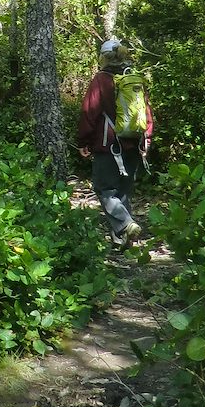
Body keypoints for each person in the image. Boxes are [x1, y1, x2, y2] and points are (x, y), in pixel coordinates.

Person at [76, 38, 153, 249]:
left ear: (103, 57)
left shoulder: (102, 79)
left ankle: (126, 224)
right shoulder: (134, 79)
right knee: (123, 192)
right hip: (133, 144)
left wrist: (83, 140)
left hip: (108, 144)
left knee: (105, 189)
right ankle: (122, 241)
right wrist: (146, 139)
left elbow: (89, 111)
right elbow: (147, 112)